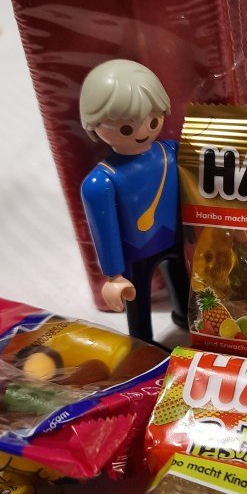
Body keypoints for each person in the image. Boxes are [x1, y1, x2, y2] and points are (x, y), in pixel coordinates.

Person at [80, 59, 188, 344]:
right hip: (135, 252)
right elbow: (105, 233)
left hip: (174, 238)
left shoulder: (171, 153)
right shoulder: (101, 181)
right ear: (94, 125)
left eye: (152, 121)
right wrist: (113, 275)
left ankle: (186, 318)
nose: (142, 131)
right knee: (137, 301)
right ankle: (142, 344)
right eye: (126, 128)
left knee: (182, 283)